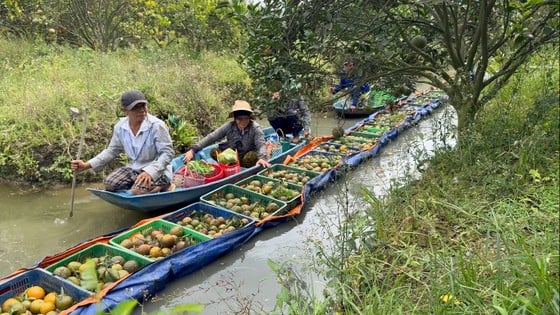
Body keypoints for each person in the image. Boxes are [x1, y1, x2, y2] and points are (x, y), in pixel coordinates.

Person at [71, 90, 175, 195]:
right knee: (109, 184)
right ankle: (140, 184)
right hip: (135, 168)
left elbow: (168, 153)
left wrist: (150, 172)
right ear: (125, 111)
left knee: (138, 191)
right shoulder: (120, 127)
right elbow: (112, 151)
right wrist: (87, 165)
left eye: (143, 106)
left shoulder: (156, 126)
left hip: (158, 169)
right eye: (136, 108)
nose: (142, 110)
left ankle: (164, 184)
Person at [182, 100, 271, 168]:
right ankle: (231, 165)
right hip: (233, 156)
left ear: (249, 118)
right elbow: (212, 137)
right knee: (214, 152)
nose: (243, 122)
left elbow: (261, 145)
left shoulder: (255, 128)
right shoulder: (229, 126)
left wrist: (262, 158)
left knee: (251, 156)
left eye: (246, 118)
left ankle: (245, 170)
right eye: (240, 119)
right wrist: (193, 150)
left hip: (247, 157)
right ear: (235, 119)